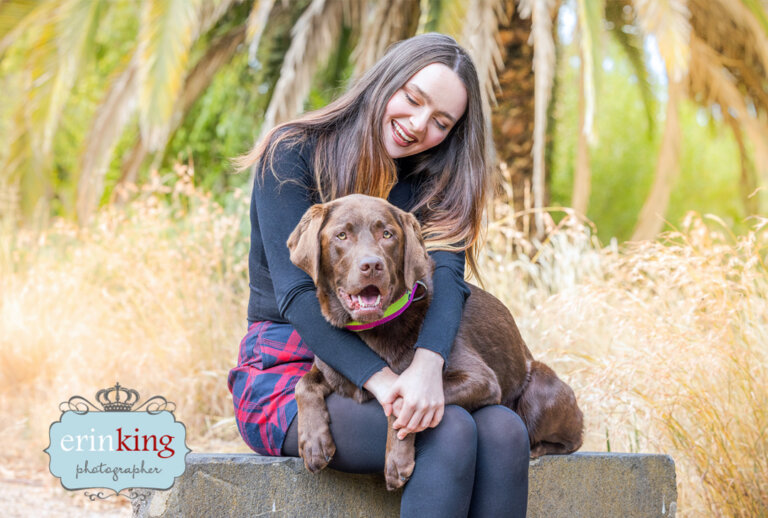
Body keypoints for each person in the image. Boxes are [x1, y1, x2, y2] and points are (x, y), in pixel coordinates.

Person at [228, 33, 530, 518]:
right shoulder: (292, 152)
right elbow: (297, 296)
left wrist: (427, 369)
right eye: (413, 98)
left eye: (441, 122)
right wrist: (387, 385)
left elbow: (446, 284)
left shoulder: (434, 184)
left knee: (505, 430)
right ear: (386, 81)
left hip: (399, 353)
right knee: (447, 431)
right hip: (293, 371)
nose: (418, 125)